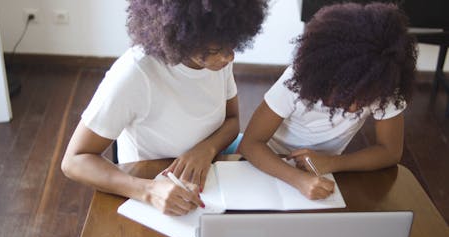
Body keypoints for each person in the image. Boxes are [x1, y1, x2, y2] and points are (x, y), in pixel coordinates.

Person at [61, 0, 268, 215]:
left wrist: (207, 149)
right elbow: (74, 161)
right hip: (152, 183)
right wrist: (148, 191)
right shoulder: (136, 72)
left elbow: (233, 121)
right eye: (215, 49)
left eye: (232, 45)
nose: (229, 57)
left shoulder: (218, 55)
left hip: (211, 174)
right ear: (181, 36)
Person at [239, 2, 417, 200]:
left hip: (321, 170)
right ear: (328, 75)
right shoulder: (296, 81)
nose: (354, 108)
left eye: (363, 100)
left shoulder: (381, 87)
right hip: (268, 162)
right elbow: (250, 144)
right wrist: (298, 179)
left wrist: (332, 163)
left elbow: (390, 152)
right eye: (348, 96)